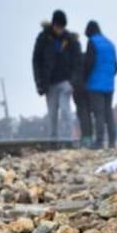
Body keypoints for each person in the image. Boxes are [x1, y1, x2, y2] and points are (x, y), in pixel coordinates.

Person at [33, 9, 78, 139]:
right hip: (50, 82)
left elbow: (77, 60)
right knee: (52, 114)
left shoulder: (69, 39)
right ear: (53, 25)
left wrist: (73, 81)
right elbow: (36, 61)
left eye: (62, 27)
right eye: (58, 26)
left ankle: (70, 140)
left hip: (66, 82)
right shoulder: (43, 38)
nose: (60, 29)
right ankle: (53, 141)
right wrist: (39, 83)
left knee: (65, 110)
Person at [83, 20, 117, 149]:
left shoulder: (92, 42)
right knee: (108, 112)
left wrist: (85, 78)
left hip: (95, 84)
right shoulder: (110, 44)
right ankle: (112, 141)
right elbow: (116, 66)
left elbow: (89, 62)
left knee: (99, 113)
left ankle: (99, 142)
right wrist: (108, 77)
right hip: (109, 85)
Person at [70, 34, 93, 147]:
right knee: (87, 113)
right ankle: (88, 137)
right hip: (87, 87)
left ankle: (86, 137)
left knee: (82, 112)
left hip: (78, 87)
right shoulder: (84, 56)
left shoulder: (71, 57)